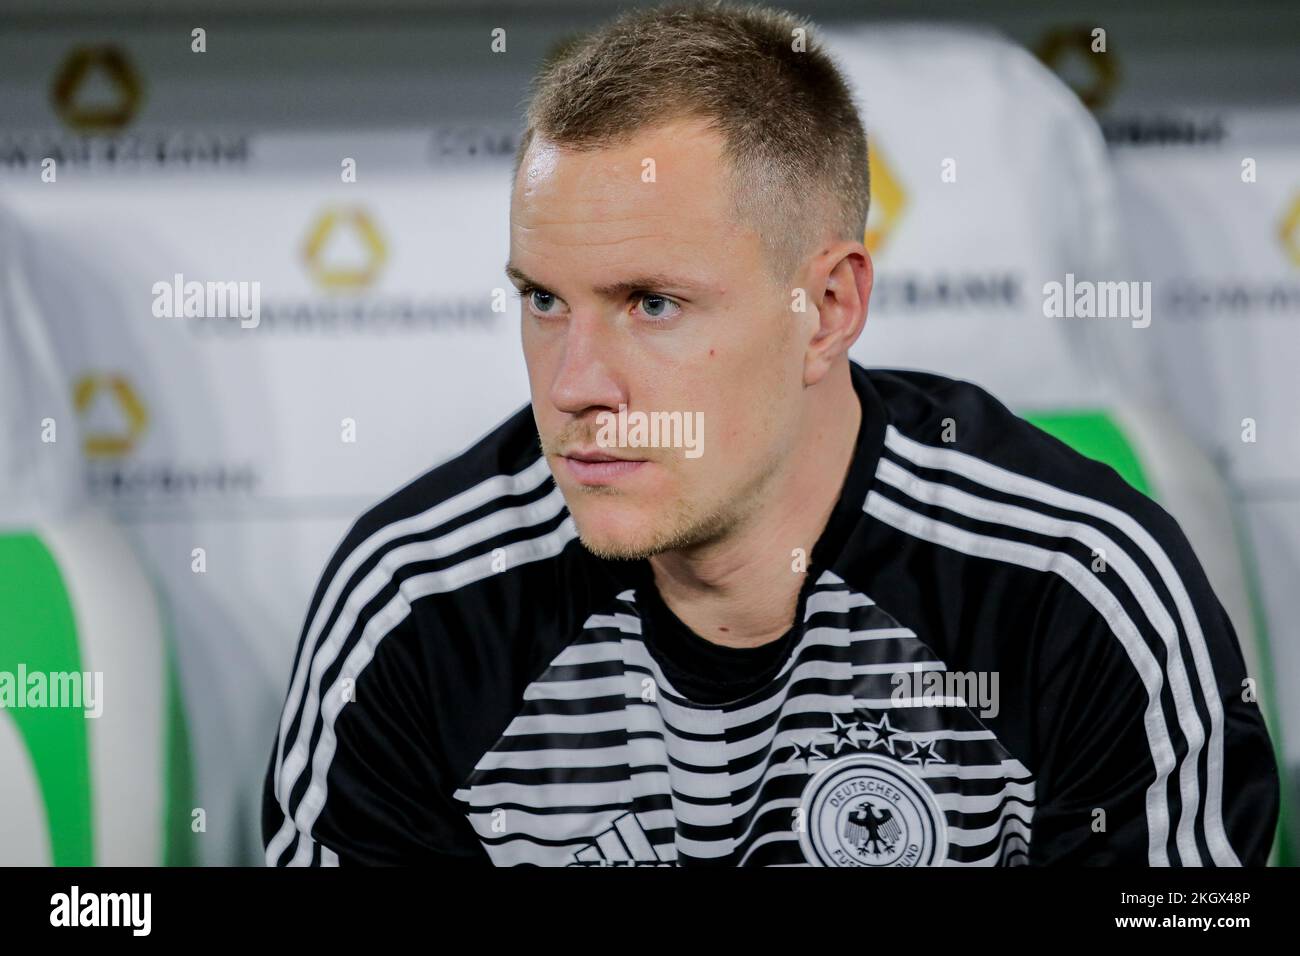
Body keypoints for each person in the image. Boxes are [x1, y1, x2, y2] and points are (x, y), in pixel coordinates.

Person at [263, 0, 1278, 866]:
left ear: (827, 308)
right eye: (542, 300)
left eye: (652, 303)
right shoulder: (412, 603)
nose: (573, 384)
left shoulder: (1080, 590)